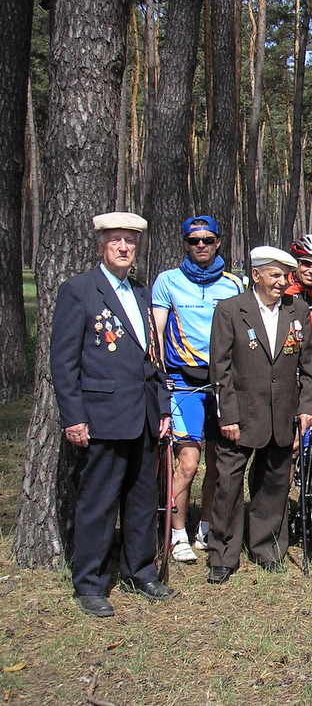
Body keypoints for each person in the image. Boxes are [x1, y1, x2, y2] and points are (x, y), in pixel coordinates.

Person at [51, 212, 173, 617]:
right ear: (101, 244)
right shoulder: (79, 291)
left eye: (130, 241)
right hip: (102, 416)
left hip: (144, 416)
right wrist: (74, 417)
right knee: (98, 503)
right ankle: (90, 582)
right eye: (116, 240)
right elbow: (64, 362)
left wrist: (162, 407)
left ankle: (140, 571)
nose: (124, 247)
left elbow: (152, 357)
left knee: (142, 500)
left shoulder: (140, 292)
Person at [206, 246, 312, 583]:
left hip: (282, 414)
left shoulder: (297, 309)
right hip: (241, 415)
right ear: (256, 275)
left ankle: (266, 547)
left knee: (274, 483)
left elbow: (308, 365)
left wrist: (307, 407)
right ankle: (223, 554)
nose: (282, 282)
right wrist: (227, 415)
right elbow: (220, 368)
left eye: (286, 275)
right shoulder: (230, 310)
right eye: (275, 275)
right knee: (228, 485)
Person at [151, 215, 244, 562]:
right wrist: (159, 378)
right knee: (188, 463)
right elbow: (157, 333)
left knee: (218, 464)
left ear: (218, 242)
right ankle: (177, 533)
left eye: (207, 239)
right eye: (194, 240)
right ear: (185, 244)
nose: (201, 245)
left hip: (220, 384)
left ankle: (206, 526)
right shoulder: (168, 281)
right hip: (182, 383)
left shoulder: (233, 284)